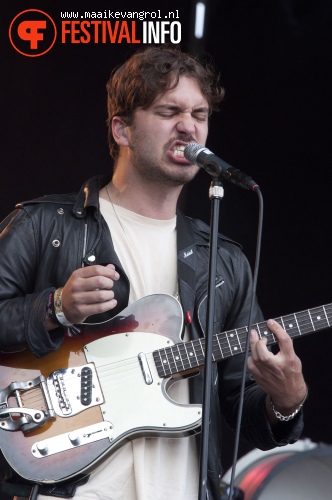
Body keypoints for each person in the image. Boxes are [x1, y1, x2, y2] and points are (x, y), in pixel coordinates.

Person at [0, 46, 307, 500]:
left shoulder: (222, 261)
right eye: (169, 111)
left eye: (199, 113)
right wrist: (54, 308)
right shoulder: (45, 226)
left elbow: (242, 401)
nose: (190, 125)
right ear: (121, 129)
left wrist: (287, 401)